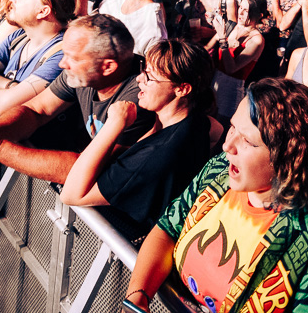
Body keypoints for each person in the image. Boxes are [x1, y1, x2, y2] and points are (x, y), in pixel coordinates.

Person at [104, 79, 308, 313]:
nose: (226, 146)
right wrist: (137, 300)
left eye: (247, 141)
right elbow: (167, 229)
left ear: (288, 157)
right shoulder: (222, 170)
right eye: (232, 128)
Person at [0, 14, 156, 182]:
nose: (62, 63)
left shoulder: (140, 96)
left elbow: (88, 168)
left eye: (72, 58)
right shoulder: (83, 72)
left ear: (108, 67)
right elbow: (37, 110)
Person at [60, 40, 215, 232]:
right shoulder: (197, 121)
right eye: (144, 70)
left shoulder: (156, 154)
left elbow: (71, 195)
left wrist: (115, 123)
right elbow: (216, 129)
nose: (139, 79)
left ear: (182, 89)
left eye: (150, 77)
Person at [206, 0, 267, 122]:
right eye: (241, 7)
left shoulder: (256, 40)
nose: (241, 13)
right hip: (215, 83)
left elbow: (231, 68)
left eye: (247, 10)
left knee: (222, 127)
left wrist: (223, 40)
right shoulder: (231, 26)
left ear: (259, 15)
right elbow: (208, 47)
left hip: (231, 91)